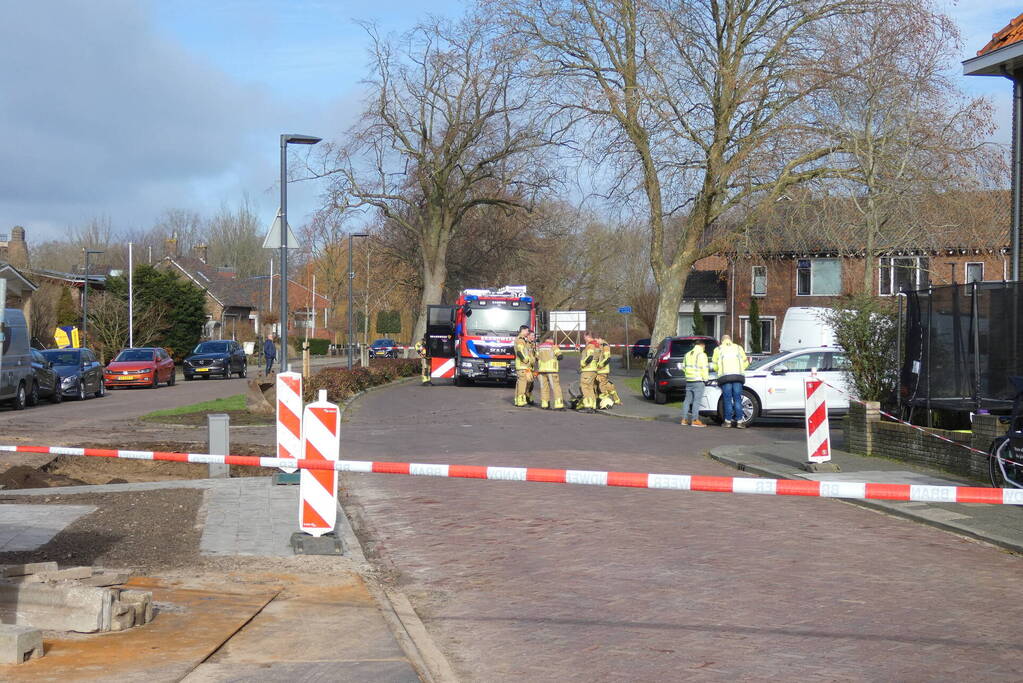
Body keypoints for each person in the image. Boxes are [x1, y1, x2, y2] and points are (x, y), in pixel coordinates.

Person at [712, 334, 750, 428]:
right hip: (738, 376)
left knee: (727, 399)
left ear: (722, 341)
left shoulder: (718, 349)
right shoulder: (738, 348)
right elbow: (746, 363)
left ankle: (728, 421)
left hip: (725, 377)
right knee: (737, 399)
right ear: (730, 340)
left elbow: (715, 366)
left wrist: (719, 371)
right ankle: (740, 422)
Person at [680, 340, 709, 426]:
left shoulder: (687, 354)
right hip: (698, 380)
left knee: (687, 400)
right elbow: (704, 368)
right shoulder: (702, 355)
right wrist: (705, 379)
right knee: (697, 401)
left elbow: (683, 367)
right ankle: (695, 420)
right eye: (704, 347)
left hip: (689, 380)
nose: (704, 348)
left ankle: (684, 419)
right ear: (702, 345)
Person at [535, 334, 565, 410]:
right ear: (551, 339)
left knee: (543, 387)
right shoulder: (553, 346)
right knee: (555, 387)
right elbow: (560, 356)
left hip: (541, 370)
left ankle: (545, 404)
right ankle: (559, 405)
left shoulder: (539, 347)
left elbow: (537, 357)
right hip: (551, 370)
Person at [594, 335, 621, 409]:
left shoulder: (605, 346)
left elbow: (607, 358)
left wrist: (600, 365)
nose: (595, 341)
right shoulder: (599, 345)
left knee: (601, 385)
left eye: (596, 339)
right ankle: (615, 397)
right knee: (605, 384)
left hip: (602, 370)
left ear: (600, 338)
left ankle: (605, 401)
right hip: (598, 370)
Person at [576, 331, 600, 413]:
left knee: (585, 388)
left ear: (588, 336)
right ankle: (593, 406)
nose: (584, 339)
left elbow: (589, 357)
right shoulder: (597, 345)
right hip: (593, 370)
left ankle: (587, 407)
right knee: (590, 388)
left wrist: (582, 364)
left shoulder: (590, 345)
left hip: (587, 370)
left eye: (584, 337)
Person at [513, 325, 535, 407]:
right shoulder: (520, 339)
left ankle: (518, 399)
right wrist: (525, 359)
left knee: (522, 382)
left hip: (524, 365)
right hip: (522, 365)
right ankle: (520, 400)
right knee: (523, 383)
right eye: (527, 331)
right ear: (523, 330)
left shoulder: (522, 340)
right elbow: (519, 351)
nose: (528, 333)